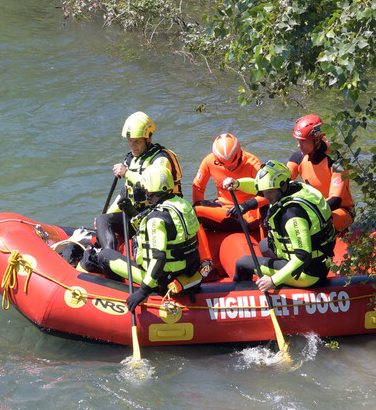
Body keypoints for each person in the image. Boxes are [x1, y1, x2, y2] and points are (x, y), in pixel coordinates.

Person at [97, 166, 202, 312]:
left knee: (104, 256)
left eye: (147, 191)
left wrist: (143, 292)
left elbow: (159, 258)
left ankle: (117, 288)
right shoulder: (182, 205)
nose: (146, 194)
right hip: (187, 273)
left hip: (162, 280)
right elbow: (168, 232)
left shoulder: (156, 219)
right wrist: (131, 212)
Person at [223, 160, 336, 292]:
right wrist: (237, 184)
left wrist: (273, 281)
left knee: (242, 263)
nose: (265, 196)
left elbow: (302, 256)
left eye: (269, 192)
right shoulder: (293, 187)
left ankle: (244, 294)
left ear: (282, 187)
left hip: (309, 273)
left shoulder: (293, 215)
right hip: (317, 260)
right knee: (264, 245)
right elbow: (257, 187)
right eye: (264, 191)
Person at [95, 111, 183, 251]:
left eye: (137, 142)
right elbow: (125, 193)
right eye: (130, 141)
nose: (133, 146)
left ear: (148, 139)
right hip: (138, 216)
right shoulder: (132, 159)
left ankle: (110, 259)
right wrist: (107, 214)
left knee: (104, 221)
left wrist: (127, 173)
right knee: (102, 220)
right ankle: (107, 254)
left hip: (160, 217)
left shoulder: (161, 159)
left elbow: (152, 188)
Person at [192, 133, 269, 276]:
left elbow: (269, 193)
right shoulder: (209, 161)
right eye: (224, 165)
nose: (230, 168)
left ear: (239, 154)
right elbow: (198, 187)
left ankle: (268, 253)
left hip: (249, 217)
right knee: (194, 211)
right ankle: (205, 263)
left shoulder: (252, 163)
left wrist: (246, 205)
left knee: (266, 207)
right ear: (217, 160)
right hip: (226, 212)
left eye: (234, 164)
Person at [286, 114, 355, 233]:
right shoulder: (298, 158)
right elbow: (282, 182)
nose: (299, 145)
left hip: (341, 211)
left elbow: (335, 200)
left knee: (314, 225)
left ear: (317, 140)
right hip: (314, 209)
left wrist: (307, 212)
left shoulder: (337, 163)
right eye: (298, 141)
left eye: (303, 142)